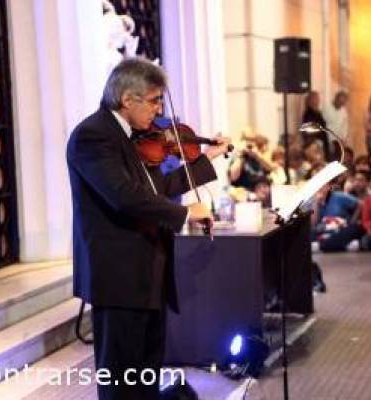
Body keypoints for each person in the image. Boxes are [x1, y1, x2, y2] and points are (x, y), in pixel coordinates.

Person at [66, 58, 230, 400]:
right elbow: (125, 198)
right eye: (155, 100)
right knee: (122, 378)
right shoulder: (93, 136)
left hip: (147, 271)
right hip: (119, 275)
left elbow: (159, 189)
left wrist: (205, 159)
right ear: (128, 99)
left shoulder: (133, 138)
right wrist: (184, 213)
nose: (159, 111)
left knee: (146, 374)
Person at [302, 90, 329, 160]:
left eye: (318, 98)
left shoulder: (318, 112)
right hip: (316, 144)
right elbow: (309, 131)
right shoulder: (308, 114)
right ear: (310, 100)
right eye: (316, 98)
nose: (318, 100)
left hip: (322, 142)